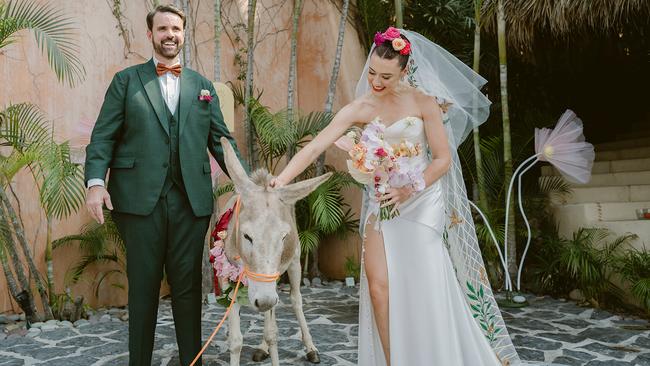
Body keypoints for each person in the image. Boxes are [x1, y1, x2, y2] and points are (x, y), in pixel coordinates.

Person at [271, 27, 523, 365]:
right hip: (381, 204)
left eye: (386, 76)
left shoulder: (423, 102)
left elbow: (443, 159)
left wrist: (409, 188)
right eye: (372, 72)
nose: (376, 80)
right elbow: (317, 143)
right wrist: (281, 181)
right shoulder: (360, 107)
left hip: (421, 201)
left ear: (405, 70)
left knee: (424, 288)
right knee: (378, 289)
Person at [84, 4, 246, 365]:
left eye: (176, 28)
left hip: (191, 203)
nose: (170, 35)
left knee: (189, 290)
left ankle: (192, 361)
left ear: (183, 33)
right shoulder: (126, 81)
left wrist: (247, 186)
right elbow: (103, 138)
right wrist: (96, 183)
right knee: (143, 290)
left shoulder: (202, 87)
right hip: (139, 203)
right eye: (162, 29)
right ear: (150, 34)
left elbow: (222, 142)